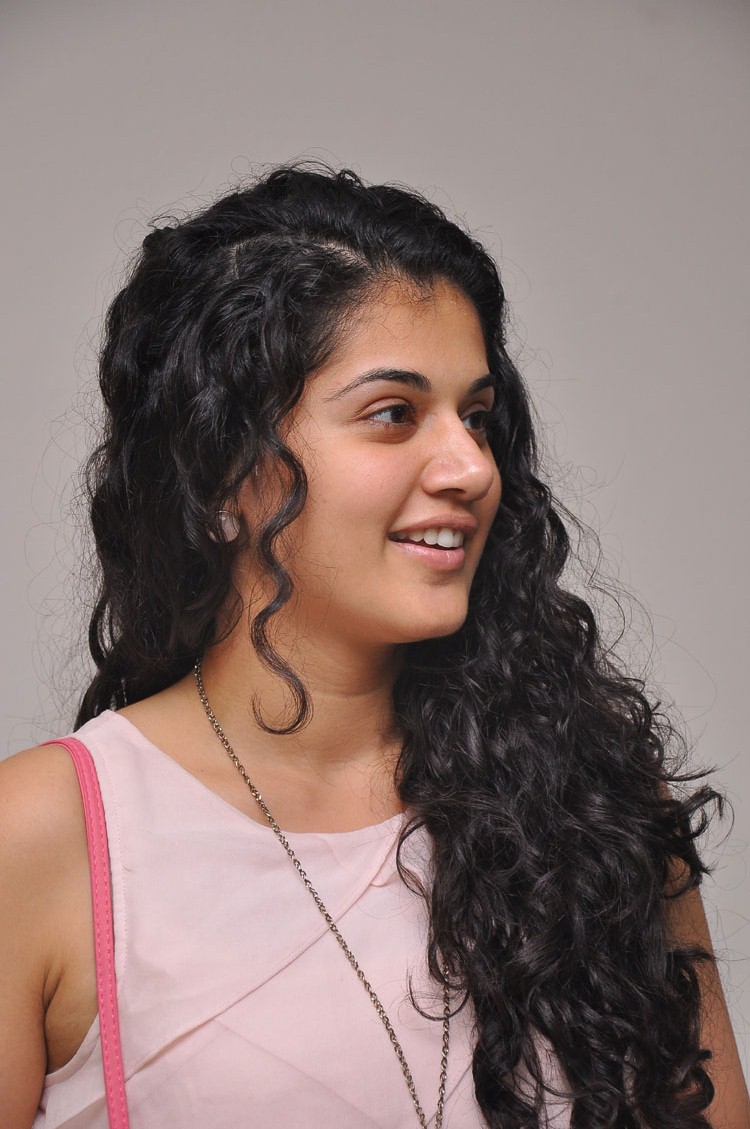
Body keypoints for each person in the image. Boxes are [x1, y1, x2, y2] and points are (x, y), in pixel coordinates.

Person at [0, 162, 747, 1129]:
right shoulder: (41, 835)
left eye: (476, 417)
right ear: (221, 468)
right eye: (393, 413)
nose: (471, 466)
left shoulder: (597, 806)